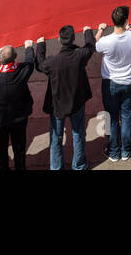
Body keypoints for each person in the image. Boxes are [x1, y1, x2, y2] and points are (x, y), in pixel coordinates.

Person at [37, 25, 97, 171]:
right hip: (76, 102)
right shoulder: (79, 55)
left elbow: (40, 64)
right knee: (78, 134)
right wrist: (88, 31)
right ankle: (79, 165)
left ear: (59, 40)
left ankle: (56, 167)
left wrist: (40, 45)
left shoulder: (53, 62)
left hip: (57, 105)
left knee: (56, 137)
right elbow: (91, 47)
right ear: (73, 39)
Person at [95, 6, 131, 162]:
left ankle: (113, 150)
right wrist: (129, 29)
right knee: (126, 115)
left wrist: (101, 29)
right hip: (128, 81)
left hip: (110, 83)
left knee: (110, 116)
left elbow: (95, 44)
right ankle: (126, 150)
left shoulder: (106, 41)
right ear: (126, 21)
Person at [0, 43, 36, 170]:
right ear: (15, 58)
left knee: (0, 152)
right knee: (19, 149)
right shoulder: (22, 71)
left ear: (0, 60)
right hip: (18, 118)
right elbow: (30, 62)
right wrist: (29, 47)